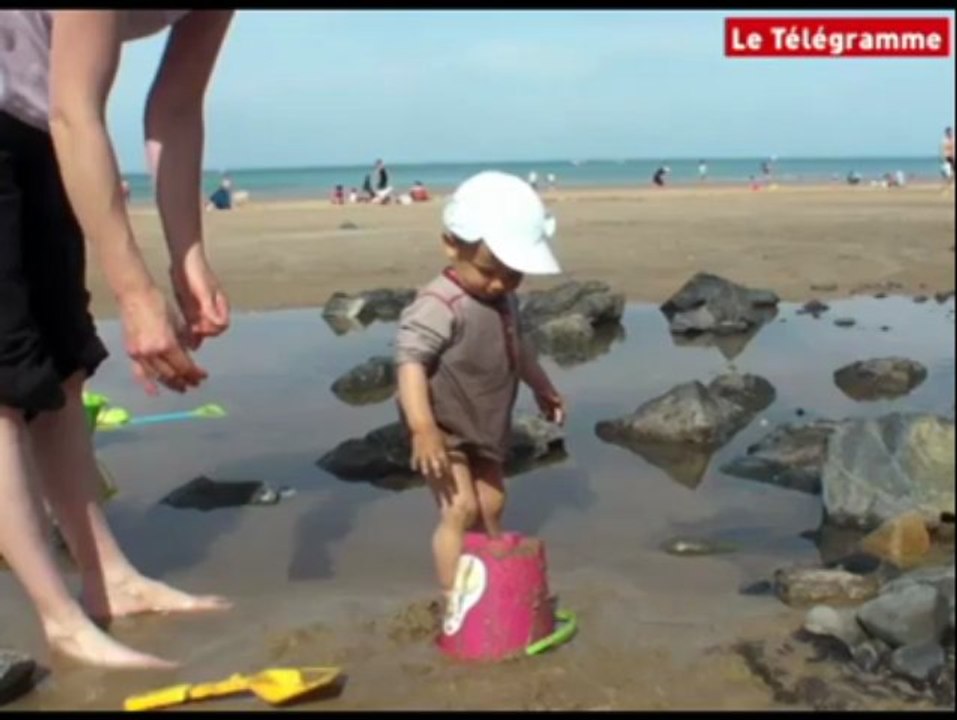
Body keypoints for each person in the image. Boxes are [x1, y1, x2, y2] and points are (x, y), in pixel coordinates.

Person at [0, 10, 234, 670]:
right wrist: (134, 296)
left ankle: (111, 581)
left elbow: (177, 107)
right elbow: (79, 111)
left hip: (40, 117)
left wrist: (187, 257)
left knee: (63, 363)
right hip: (52, 112)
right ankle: (61, 619)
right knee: (5, 379)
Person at [395, 171, 566, 613]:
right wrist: (422, 428)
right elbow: (410, 362)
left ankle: (489, 570)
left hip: (486, 420)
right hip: (443, 424)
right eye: (490, 272)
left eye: (514, 276)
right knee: (460, 507)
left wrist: (542, 386)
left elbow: (518, 347)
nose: (500, 284)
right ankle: (454, 598)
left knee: (492, 500)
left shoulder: (503, 300)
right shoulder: (440, 304)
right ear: (452, 244)